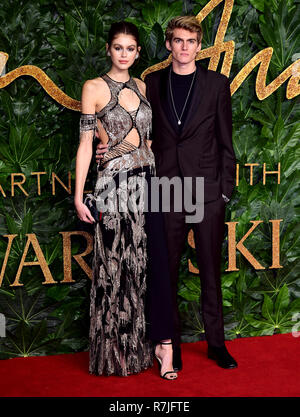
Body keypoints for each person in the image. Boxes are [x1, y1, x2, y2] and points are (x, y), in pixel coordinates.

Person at [96, 15, 238, 371]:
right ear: (169, 45)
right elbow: (139, 132)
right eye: (177, 40)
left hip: (206, 190)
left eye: (190, 41)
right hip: (166, 189)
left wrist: (224, 192)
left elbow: (226, 141)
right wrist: (109, 149)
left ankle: (216, 344)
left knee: (209, 271)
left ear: (199, 45)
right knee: (166, 272)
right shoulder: (151, 84)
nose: (184, 47)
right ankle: (169, 346)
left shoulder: (217, 85)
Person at [74, 21, 177, 379]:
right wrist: (78, 194)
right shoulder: (93, 87)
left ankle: (156, 348)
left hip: (148, 181)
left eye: (130, 48)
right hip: (113, 185)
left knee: (152, 263)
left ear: (137, 52)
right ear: (108, 49)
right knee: (116, 266)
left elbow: (147, 141)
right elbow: (87, 144)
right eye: (118, 47)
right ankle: (117, 353)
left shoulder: (143, 86)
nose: (124, 54)